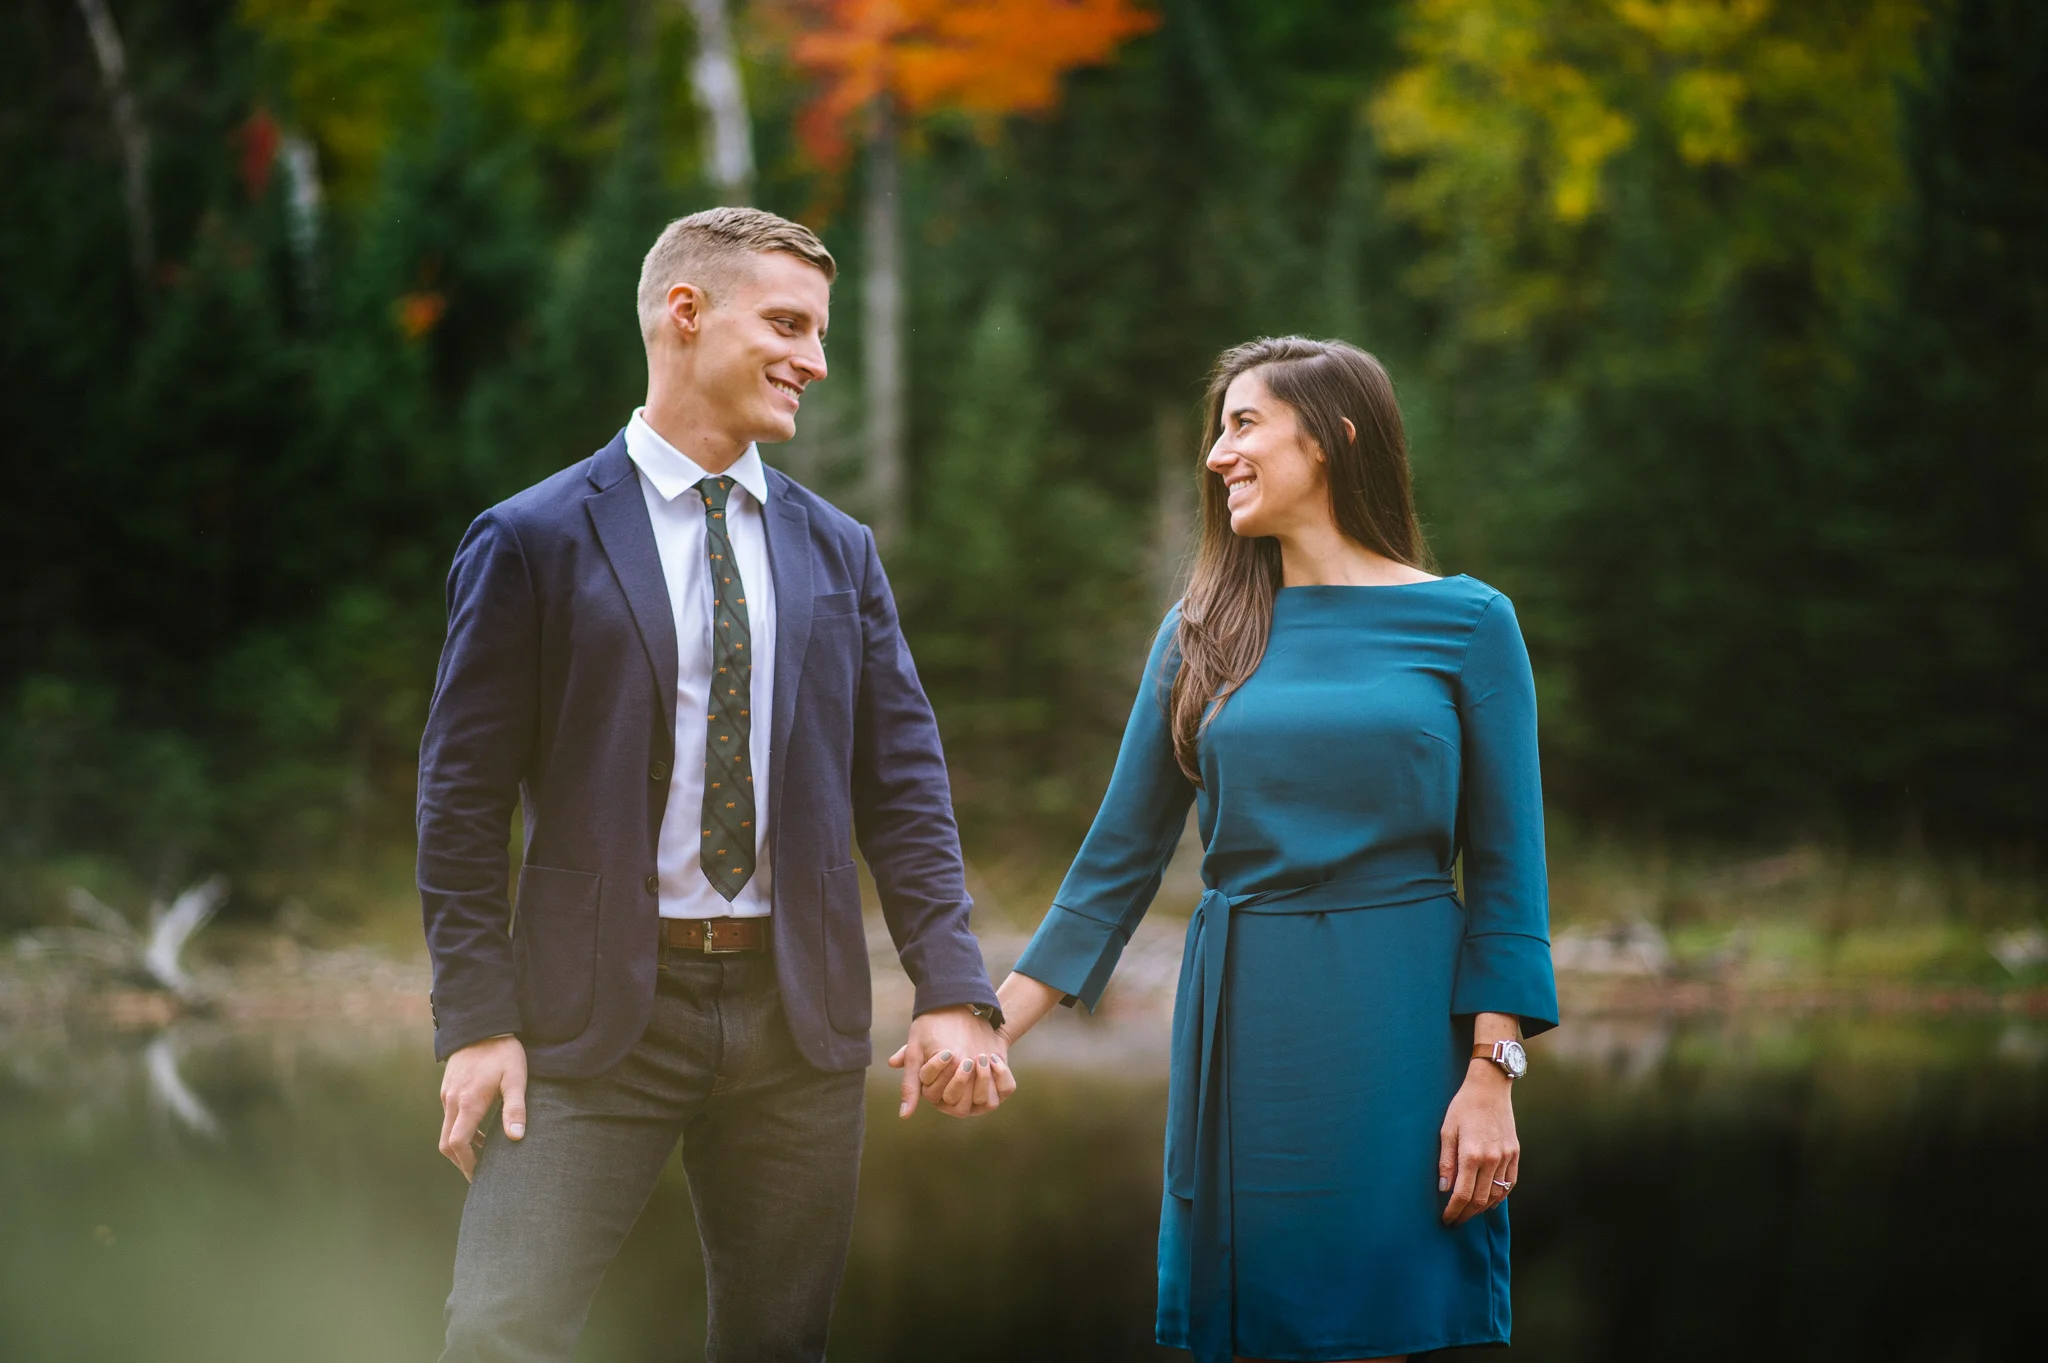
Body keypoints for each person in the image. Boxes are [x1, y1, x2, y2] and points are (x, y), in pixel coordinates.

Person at [417, 206, 1016, 1363]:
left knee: (778, 1346)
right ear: (683, 313)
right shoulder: (530, 538)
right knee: (500, 1331)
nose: (815, 361)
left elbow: (902, 784)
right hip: (586, 1025)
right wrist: (478, 1019)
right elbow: (458, 801)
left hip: (801, 1025)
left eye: (822, 332)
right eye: (787, 324)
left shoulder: (836, 548)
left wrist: (953, 985)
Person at [989, 337, 1560, 1363]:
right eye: (1218, 430)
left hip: (1408, 1031)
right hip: (1245, 1020)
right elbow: (1116, 860)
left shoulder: (1469, 624)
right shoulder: (1200, 632)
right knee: (1255, 1327)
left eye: (1242, 423)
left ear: (1335, 436)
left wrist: (1492, 1075)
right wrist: (992, 1025)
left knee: (1396, 1314)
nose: (1217, 454)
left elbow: (1510, 875)